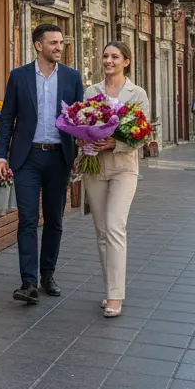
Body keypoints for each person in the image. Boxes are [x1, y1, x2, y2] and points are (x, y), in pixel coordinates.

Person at [0, 24, 85, 305]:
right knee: (28, 220)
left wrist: (83, 151)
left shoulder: (72, 77)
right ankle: (28, 282)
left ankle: (48, 274)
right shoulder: (19, 76)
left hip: (59, 157)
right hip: (27, 158)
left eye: (61, 43)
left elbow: (79, 119)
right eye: (53, 43)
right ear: (38, 46)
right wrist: (0, 155)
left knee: (55, 220)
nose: (59, 47)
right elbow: (7, 117)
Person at [82, 41, 150, 319]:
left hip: (124, 167)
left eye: (115, 57)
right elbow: (83, 123)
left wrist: (114, 143)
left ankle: (116, 296)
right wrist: (85, 136)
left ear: (126, 62)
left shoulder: (137, 94)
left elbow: (143, 134)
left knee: (114, 226)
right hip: (94, 166)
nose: (108, 60)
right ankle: (109, 287)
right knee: (101, 231)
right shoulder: (92, 91)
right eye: (105, 55)